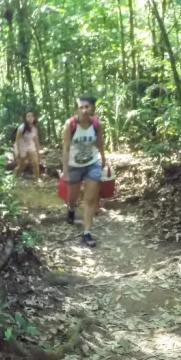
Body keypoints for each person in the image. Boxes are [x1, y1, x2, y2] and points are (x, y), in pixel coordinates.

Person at [61, 95, 107, 247]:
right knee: (72, 197)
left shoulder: (97, 124)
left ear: (93, 108)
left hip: (92, 163)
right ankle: (71, 209)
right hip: (74, 165)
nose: (84, 110)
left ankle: (86, 232)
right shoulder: (70, 124)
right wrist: (65, 170)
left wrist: (104, 159)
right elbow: (66, 148)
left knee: (90, 199)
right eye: (81, 107)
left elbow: (99, 143)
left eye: (87, 107)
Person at [14, 111, 41, 179]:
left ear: (34, 118)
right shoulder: (21, 128)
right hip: (21, 146)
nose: (30, 118)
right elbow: (17, 140)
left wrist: (38, 148)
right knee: (22, 165)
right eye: (28, 116)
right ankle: (14, 178)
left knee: (35, 163)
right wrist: (18, 151)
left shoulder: (35, 127)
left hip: (30, 145)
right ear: (26, 118)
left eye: (32, 116)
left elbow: (35, 137)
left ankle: (37, 180)